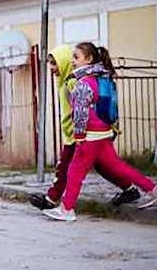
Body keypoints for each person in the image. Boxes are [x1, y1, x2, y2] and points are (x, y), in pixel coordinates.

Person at [42, 42, 157, 221]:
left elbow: (80, 114)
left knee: (74, 173)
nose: (73, 62)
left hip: (90, 136)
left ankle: (67, 209)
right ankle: (153, 190)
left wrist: (79, 136)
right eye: (72, 58)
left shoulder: (82, 83)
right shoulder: (103, 78)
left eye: (76, 58)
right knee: (120, 167)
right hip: (104, 133)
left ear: (89, 59)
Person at [29, 44, 137, 211]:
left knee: (66, 167)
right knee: (103, 167)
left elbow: (81, 110)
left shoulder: (74, 82)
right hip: (80, 133)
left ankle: (52, 199)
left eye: (54, 63)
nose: (52, 68)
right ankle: (130, 189)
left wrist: (79, 133)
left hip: (82, 134)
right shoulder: (65, 81)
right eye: (50, 63)